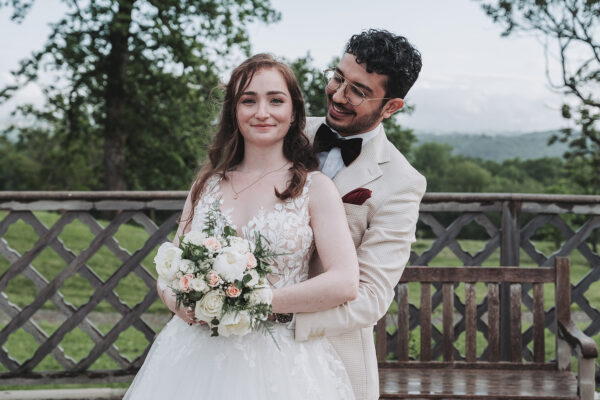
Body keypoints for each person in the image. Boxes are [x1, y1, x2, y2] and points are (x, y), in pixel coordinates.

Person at [123, 53, 359, 400]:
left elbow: (344, 281)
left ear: (294, 111)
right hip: (193, 358)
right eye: (249, 101)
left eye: (275, 100)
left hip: (282, 360)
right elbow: (168, 271)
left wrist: (256, 300)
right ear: (234, 111)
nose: (262, 112)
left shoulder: (315, 188)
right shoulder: (206, 185)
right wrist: (180, 303)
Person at [294, 29, 427, 400]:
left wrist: (280, 319)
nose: (338, 95)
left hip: (332, 356)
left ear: (391, 107)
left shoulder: (402, 182)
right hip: (246, 352)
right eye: (338, 77)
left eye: (358, 91)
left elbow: (370, 297)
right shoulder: (286, 134)